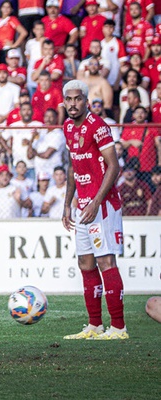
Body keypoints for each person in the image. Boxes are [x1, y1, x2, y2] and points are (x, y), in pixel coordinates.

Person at [61, 80, 128, 340]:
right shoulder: (67, 126)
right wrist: (68, 203)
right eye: (69, 99)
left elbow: (114, 167)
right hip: (83, 205)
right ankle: (94, 325)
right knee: (85, 263)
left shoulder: (99, 127)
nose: (73, 104)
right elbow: (72, 166)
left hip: (103, 205)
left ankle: (119, 328)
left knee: (105, 261)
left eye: (78, 99)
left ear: (86, 101)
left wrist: (96, 202)